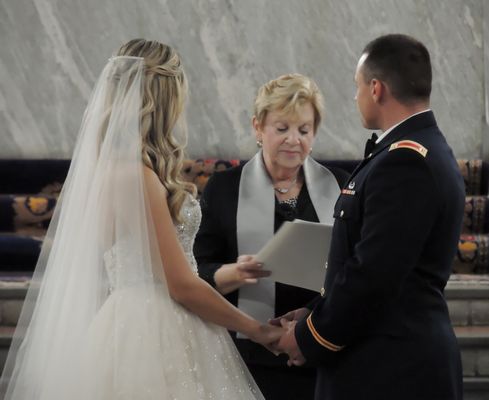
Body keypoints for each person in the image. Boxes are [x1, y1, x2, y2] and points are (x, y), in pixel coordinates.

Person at [0, 39, 282, 400]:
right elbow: (180, 284)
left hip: (124, 321)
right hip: (158, 330)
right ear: (167, 97)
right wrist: (257, 330)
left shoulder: (109, 169)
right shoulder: (139, 176)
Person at [275, 34, 465, 400]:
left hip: (390, 368)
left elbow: (373, 275)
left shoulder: (405, 162)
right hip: (389, 358)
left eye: (357, 86)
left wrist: (309, 338)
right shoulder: (413, 151)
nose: (355, 96)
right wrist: (314, 313)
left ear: (376, 88)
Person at [194, 74, 349, 400]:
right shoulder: (224, 189)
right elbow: (196, 273)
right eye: (282, 128)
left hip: (321, 349)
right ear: (258, 128)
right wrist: (232, 274)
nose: (294, 140)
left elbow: (352, 269)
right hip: (248, 359)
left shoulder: (340, 185)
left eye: (304, 130)